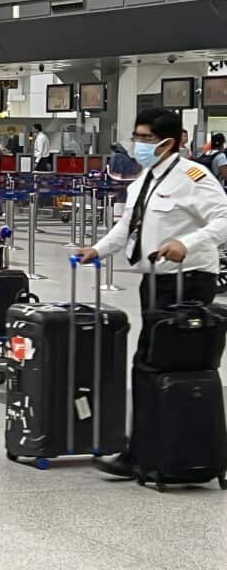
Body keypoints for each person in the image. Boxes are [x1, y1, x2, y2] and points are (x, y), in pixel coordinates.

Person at [74, 108, 227, 478]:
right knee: (149, 363)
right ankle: (149, 449)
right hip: (156, 279)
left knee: (159, 363)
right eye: (137, 137)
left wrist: (186, 243)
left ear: (167, 143)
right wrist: (98, 249)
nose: (138, 144)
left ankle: (155, 453)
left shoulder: (194, 176)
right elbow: (129, 225)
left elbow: (223, 218)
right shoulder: (147, 178)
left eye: (144, 138)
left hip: (187, 280)